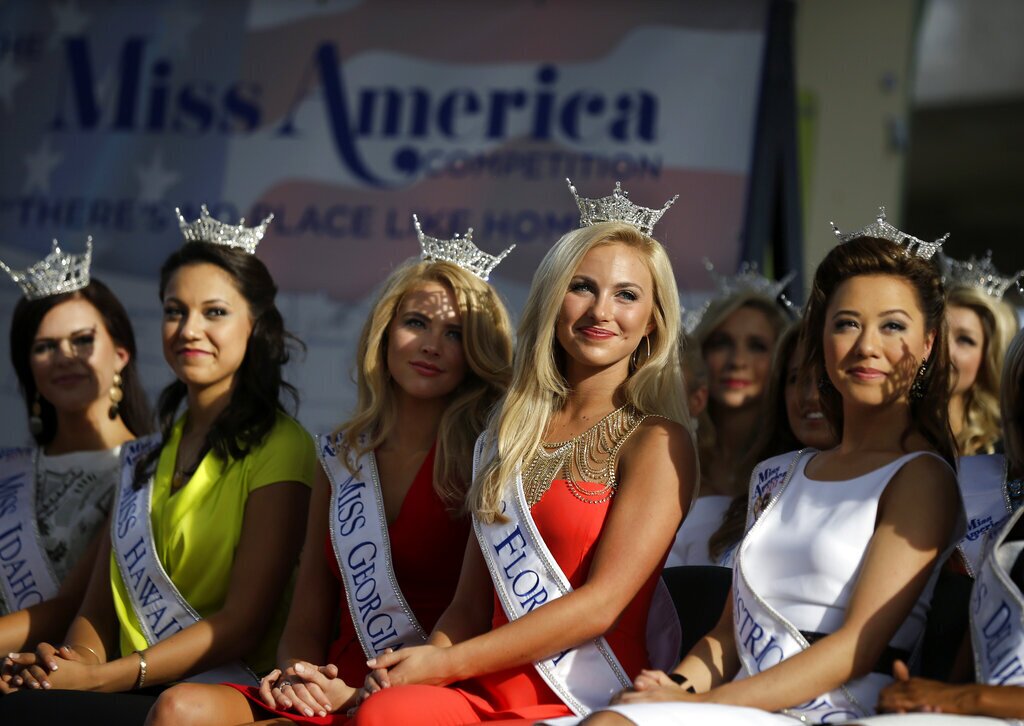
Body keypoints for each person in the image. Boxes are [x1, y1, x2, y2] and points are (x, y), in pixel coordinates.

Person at [582, 218, 963, 725]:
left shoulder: (921, 478)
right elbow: (727, 636)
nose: (866, 345)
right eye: (846, 323)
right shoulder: (778, 474)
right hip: (743, 700)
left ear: (928, 344)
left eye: (893, 326)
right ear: (820, 339)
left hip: (838, 706)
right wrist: (676, 684)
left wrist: (698, 705)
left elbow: (855, 647)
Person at [350, 182, 697, 724]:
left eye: (627, 295)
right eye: (582, 287)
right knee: (386, 710)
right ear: (554, 298)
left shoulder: (656, 441)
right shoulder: (507, 431)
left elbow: (603, 604)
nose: (601, 310)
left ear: (653, 321)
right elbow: (468, 604)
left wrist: (446, 665)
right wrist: (420, 664)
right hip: (478, 690)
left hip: (583, 697)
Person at [144, 219, 515, 725]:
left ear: (476, 352)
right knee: (179, 707)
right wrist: (299, 676)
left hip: (427, 692)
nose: (432, 345)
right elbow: (307, 615)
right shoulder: (341, 456)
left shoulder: (489, 456)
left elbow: (476, 614)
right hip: (331, 684)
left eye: (455, 333)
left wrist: (377, 690)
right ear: (385, 332)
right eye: (416, 323)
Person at [0, 209, 316, 724]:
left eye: (214, 312)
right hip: (128, 681)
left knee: (177, 711)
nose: (190, 329)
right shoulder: (146, 454)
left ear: (255, 325)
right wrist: (72, 664)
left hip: (232, 687)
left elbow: (243, 623)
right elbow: (96, 610)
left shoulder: (283, 446)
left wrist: (102, 679)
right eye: (175, 311)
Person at [850, 330, 1024, 723]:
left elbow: (962, 694)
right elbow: (953, 675)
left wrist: (963, 700)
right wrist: (917, 694)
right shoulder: (1007, 522)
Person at [0, 238, 150, 652]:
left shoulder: (148, 466)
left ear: (120, 353)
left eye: (82, 340)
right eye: (45, 347)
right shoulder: (8, 471)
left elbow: (74, 607)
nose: (65, 357)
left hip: (67, 681)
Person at [703, 321, 838, 566]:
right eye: (796, 378)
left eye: (826, 378)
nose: (810, 396)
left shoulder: (884, 483)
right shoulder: (767, 478)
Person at [689, 269, 790, 541]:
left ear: (782, 359)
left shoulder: (797, 463)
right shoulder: (675, 456)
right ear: (701, 353)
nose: (737, 361)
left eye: (756, 346)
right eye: (722, 343)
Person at [941, 252, 1020, 457]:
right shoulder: (887, 435)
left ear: (989, 359)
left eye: (965, 340)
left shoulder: (1007, 454)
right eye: (938, 333)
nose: (944, 348)